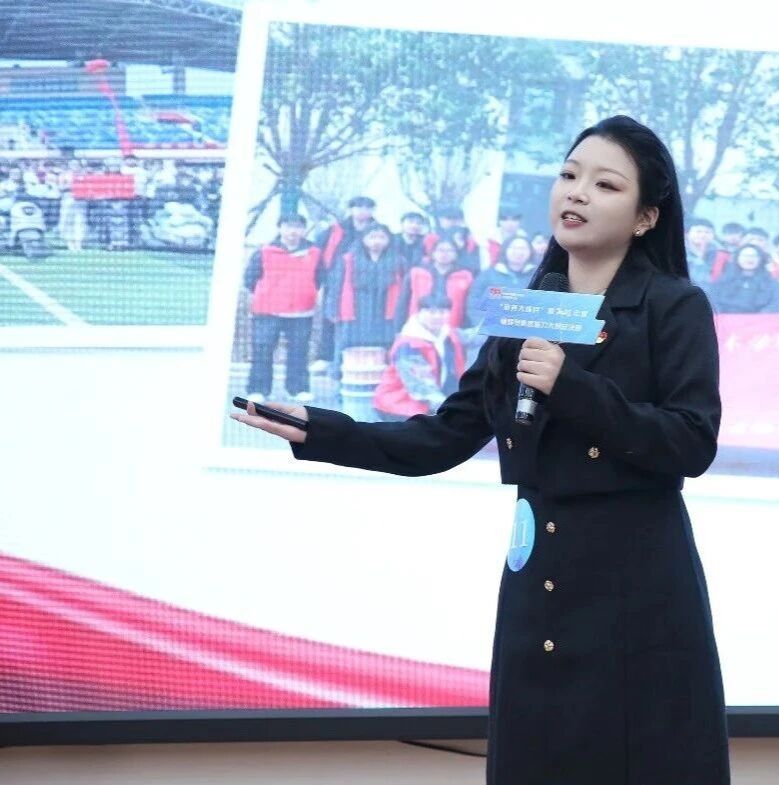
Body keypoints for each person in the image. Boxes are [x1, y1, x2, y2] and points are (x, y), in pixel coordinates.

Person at [231, 115, 730, 785]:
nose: (577, 192)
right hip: (539, 580)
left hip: (635, 584)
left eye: (605, 184)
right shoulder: (527, 308)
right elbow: (444, 436)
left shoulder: (674, 305)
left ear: (646, 217)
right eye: (569, 175)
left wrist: (573, 386)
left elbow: (691, 441)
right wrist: (322, 430)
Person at [243, 214, 323, 404]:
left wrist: (307, 292)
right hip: (267, 311)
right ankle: (258, 389)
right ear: (279, 228)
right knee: (262, 349)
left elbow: (320, 278)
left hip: (301, 311)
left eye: (298, 227)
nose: (292, 231)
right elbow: (249, 279)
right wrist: (268, 293)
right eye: (288, 226)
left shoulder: (314, 253)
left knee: (299, 350)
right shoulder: (264, 251)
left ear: (304, 230)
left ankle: (298, 388)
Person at [323, 223, 403, 376]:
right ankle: (343, 381)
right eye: (372, 237)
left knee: (386, 347)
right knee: (347, 346)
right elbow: (335, 286)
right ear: (363, 239)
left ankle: (386, 383)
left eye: (381, 237)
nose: (377, 241)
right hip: (355, 310)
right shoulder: (347, 260)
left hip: (385, 311)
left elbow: (404, 290)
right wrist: (332, 308)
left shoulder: (398, 261)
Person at [371, 293, 468, 419]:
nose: (437, 316)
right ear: (419, 313)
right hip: (400, 405)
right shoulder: (408, 345)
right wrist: (454, 408)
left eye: (442, 312)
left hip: (432, 402)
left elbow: (477, 335)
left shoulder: (448, 334)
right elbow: (421, 387)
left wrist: (495, 297)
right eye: (431, 312)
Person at [313, 196, 378, 373]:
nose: (363, 211)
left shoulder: (379, 231)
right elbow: (318, 255)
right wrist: (321, 281)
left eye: (367, 207)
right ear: (351, 209)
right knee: (331, 319)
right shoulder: (335, 231)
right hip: (336, 281)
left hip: (366, 284)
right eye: (358, 207)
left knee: (363, 321)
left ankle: (357, 358)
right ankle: (325, 357)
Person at [394, 237, 476, 330]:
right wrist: (398, 328)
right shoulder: (417, 273)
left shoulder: (465, 276)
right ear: (433, 253)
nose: (444, 254)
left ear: (456, 254)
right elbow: (403, 302)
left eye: (449, 250)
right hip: (419, 327)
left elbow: (469, 306)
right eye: (440, 250)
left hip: (453, 328)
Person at [467, 234, 538, 323]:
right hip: (493, 327)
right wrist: (484, 324)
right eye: (514, 248)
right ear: (505, 250)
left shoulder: (539, 275)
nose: (518, 252)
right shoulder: (489, 275)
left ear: (531, 252)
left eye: (523, 248)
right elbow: (474, 302)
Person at [708, 243, 779, 314]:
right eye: (745, 256)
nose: (749, 259)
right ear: (737, 258)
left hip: (760, 321)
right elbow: (714, 304)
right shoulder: (722, 282)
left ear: (760, 259)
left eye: (754, 256)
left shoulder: (772, 284)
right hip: (726, 320)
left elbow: (774, 306)